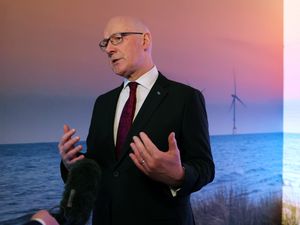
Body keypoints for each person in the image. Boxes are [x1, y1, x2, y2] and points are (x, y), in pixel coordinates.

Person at [58, 16, 215, 225]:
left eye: (117, 38)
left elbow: (205, 167)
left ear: (145, 41)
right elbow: (101, 168)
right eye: (105, 43)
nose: (109, 49)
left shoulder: (185, 98)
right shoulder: (103, 103)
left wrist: (178, 175)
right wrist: (73, 165)